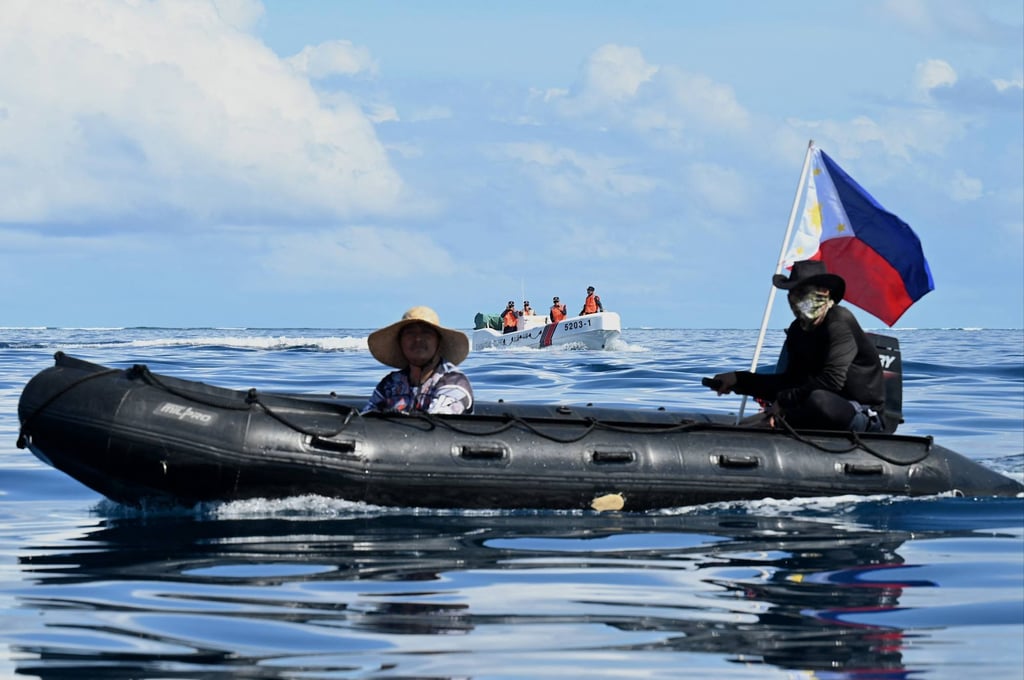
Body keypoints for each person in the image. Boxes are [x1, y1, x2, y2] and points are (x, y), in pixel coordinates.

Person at [707, 260, 885, 432]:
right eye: (791, 293)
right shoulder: (797, 330)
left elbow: (832, 380)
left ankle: (781, 421)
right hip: (814, 406)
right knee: (800, 396)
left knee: (817, 399)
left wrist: (784, 402)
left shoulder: (839, 322)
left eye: (802, 292)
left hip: (859, 412)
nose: (794, 299)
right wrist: (739, 380)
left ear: (824, 292)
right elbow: (790, 381)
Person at [362, 306, 474, 415]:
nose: (418, 339)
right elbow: (366, 419)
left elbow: (440, 422)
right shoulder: (390, 384)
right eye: (410, 333)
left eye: (426, 332)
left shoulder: (454, 382)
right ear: (400, 343)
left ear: (438, 343)